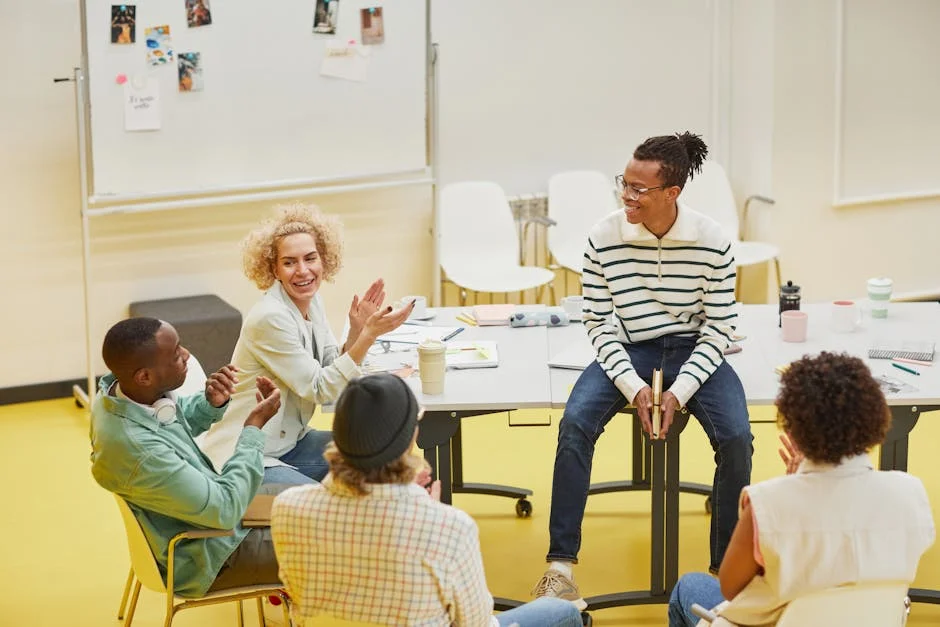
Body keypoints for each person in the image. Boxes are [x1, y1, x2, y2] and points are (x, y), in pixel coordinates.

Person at [533, 132, 752, 608]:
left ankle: (725, 578)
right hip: (630, 347)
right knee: (574, 424)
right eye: (624, 184)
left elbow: (719, 328)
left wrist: (680, 391)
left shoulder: (713, 241)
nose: (626, 196)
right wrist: (634, 388)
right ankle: (560, 567)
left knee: (737, 437)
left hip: (696, 347)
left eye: (639, 189)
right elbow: (598, 323)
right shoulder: (603, 236)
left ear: (672, 193)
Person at [270, 373, 584, 627]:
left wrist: (412, 502)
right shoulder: (447, 526)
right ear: (411, 438)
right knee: (562, 611)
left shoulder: (288, 508)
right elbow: (476, 623)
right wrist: (427, 513)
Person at [668, 352, 936, 626]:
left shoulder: (767, 504)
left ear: (794, 426)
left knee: (688, 587)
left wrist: (792, 487)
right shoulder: (910, 493)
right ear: (874, 417)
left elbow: (732, 588)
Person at [199, 202, 413, 485]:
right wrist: (368, 337)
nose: (303, 271)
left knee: (382, 455)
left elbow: (331, 369)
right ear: (274, 269)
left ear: (323, 260)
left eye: (310, 258)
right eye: (289, 262)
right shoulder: (269, 318)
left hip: (289, 444)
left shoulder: (312, 302)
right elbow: (320, 389)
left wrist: (357, 332)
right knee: (322, 501)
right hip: (246, 455)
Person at [90, 317, 285, 597]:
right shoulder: (140, 451)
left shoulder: (120, 398)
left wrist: (210, 403)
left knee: (309, 502)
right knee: (326, 540)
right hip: (210, 556)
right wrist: (253, 428)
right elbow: (226, 509)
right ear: (144, 377)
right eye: (176, 354)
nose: (187, 355)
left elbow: (173, 423)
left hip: (213, 515)